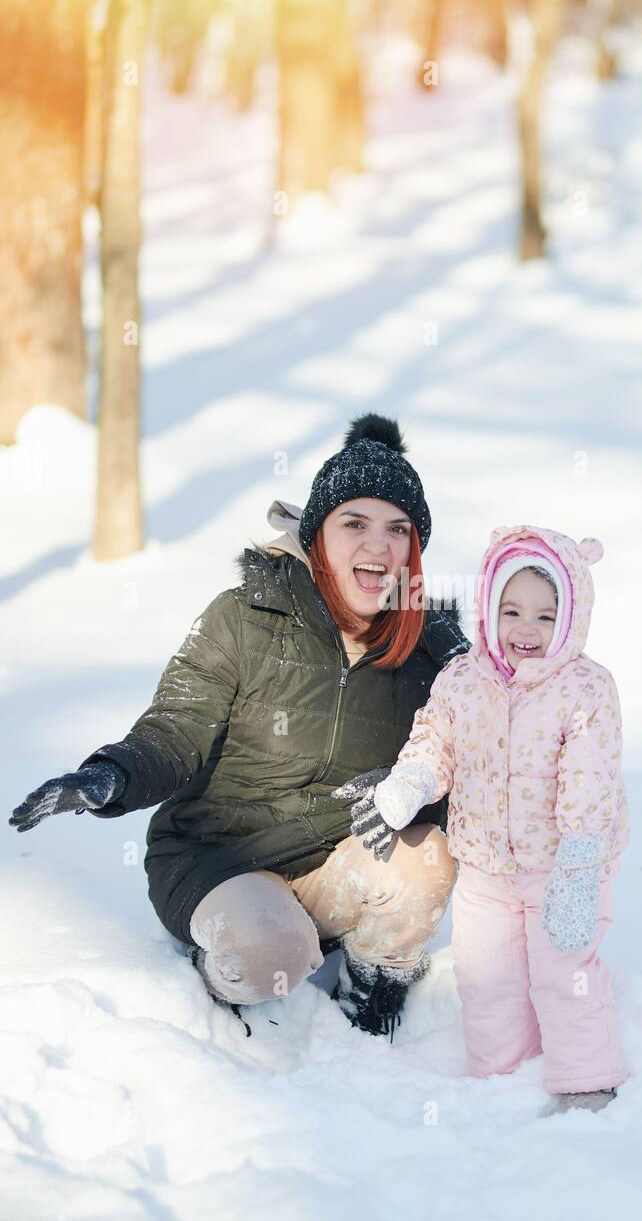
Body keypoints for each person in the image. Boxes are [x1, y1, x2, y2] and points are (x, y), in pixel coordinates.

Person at [9, 414, 470, 1040]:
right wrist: (111, 775)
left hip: (335, 861)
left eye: (398, 530)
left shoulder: (431, 653)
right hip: (221, 857)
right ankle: (240, 947)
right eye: (354, 524)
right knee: (264, 959)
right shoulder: (247, 617)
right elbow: (178, 726)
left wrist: (421, 770)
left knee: (427, 859)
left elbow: (479, 766)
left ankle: (376, 977)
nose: (377, 546)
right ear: (316, 537)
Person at [337, 524, 629, 1111]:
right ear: (487, 608)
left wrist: (578, 861)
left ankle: (586, 1080)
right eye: (512, 610)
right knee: (486, 977)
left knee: (564, 974)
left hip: (561, 868)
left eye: (546, 617)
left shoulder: (586, 689)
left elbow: (590, 780)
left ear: (571, 619)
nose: (526, 629)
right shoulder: (463, 680)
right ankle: (500, 1078)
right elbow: (436, 738)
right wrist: (413, 781)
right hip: (486, 866)